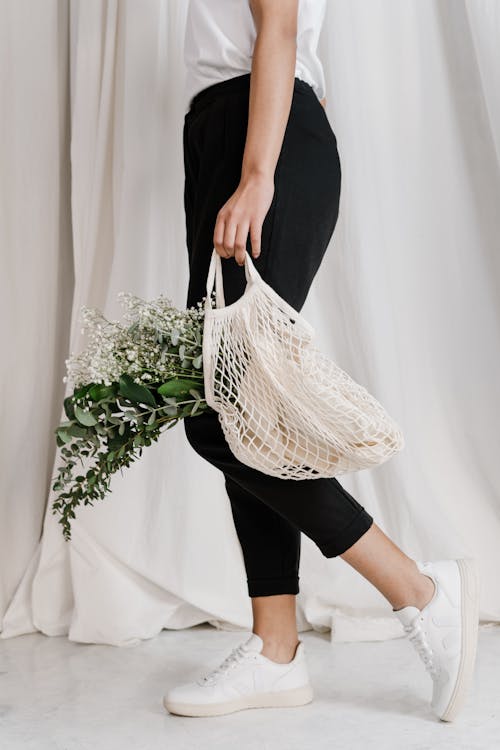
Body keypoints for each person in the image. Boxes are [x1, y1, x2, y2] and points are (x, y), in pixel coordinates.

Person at [163, 0, 480, 722]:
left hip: (258, 136)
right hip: (229, 130)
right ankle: (275, 649)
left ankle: (417, 590)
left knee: (218, 408)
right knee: (242, 405)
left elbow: (278, 29)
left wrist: (256, 172)